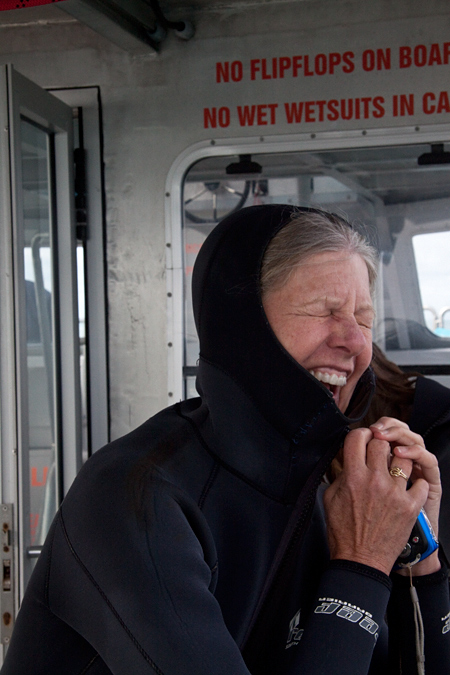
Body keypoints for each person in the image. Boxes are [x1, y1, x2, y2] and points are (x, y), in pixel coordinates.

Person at [2, 204, 449, 675]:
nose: (357, 344)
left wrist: (418, 556)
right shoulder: (135, 496)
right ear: (245, 325)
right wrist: (359, 564)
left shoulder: (334, 490)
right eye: (326, 311)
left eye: (362, 318)